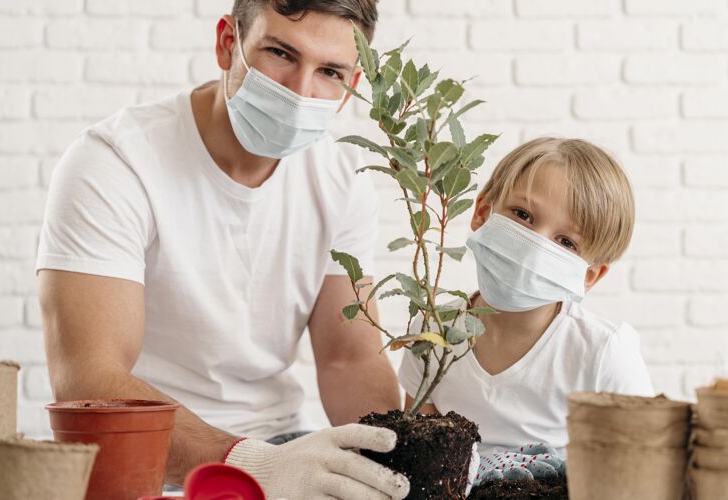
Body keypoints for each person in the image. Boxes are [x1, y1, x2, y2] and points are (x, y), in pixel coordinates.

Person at [36, 1, 410, 498]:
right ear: (227, 42)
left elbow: (349, 359)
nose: (300, 91)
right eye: (281, 53)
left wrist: (399, 461)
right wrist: (253, 466)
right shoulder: (114, 164)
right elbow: (89, 381)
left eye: (330, 72)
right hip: (143, 457)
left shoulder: (344, 183)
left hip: (283, 445)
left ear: (352, 86)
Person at [398, 137, 654, 485]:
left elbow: (642, 468)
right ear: (483, 212)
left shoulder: (602, 353)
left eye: (566, 242)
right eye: (523, 215)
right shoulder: (431, 332)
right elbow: (421, 462)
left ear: (589, 275)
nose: (534, 246)